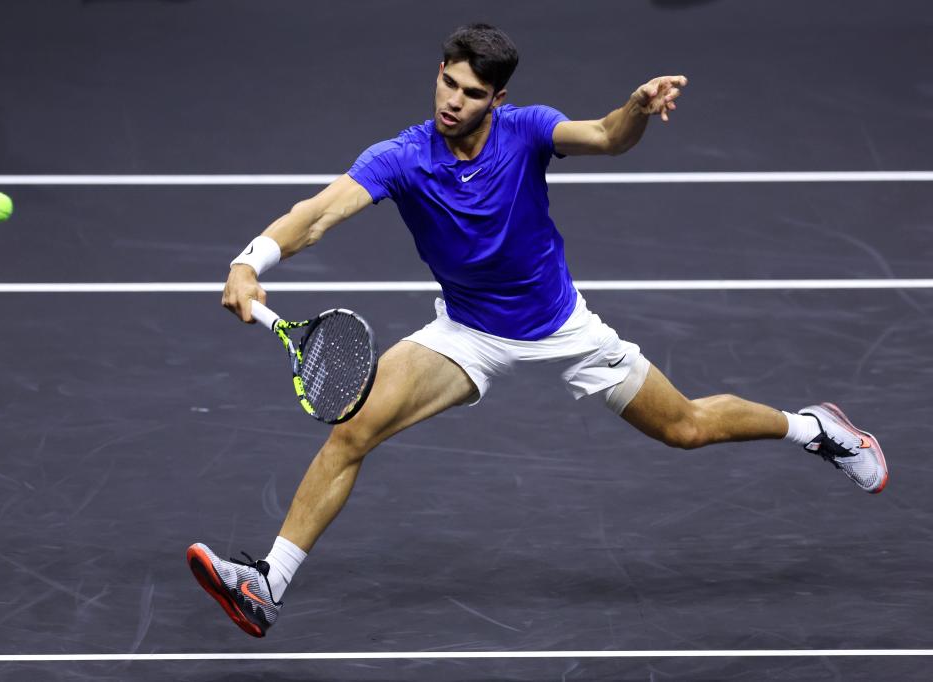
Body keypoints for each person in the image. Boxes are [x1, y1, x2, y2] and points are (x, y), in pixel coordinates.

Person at [187, 23, 888, 639]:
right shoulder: (403, 157)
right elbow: (319, 212)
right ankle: (268, 584)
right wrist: (252, 260)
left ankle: (815, 429)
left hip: (561, 327)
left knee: (687, 428)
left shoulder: (525, 131)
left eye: (468, 92)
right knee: (351, 431)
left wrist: (636, 109)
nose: (450, 100)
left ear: (497, 99)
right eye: (446, 82)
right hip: (466, 333)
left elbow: (607, 136)